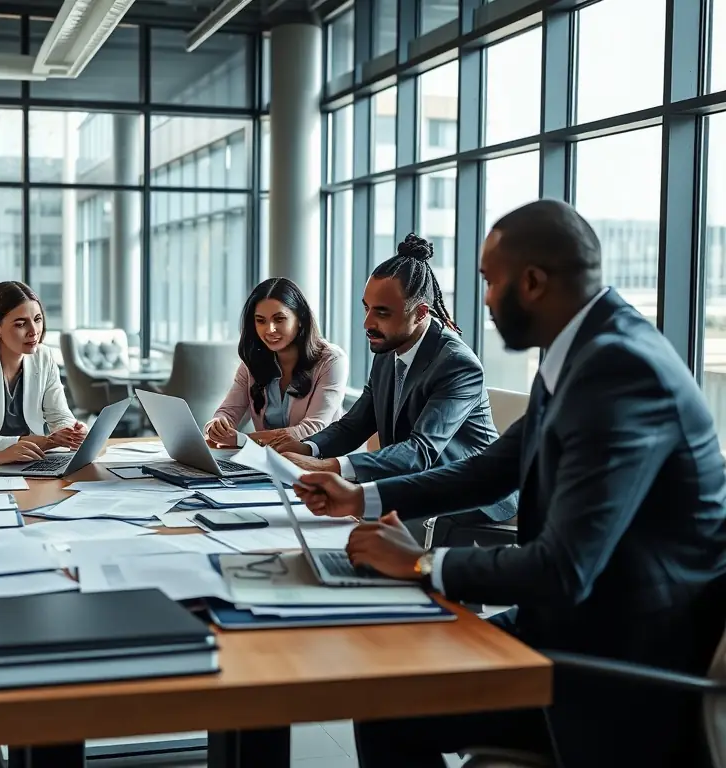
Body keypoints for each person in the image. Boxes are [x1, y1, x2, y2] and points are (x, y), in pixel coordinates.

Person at [294, 200, 726, 768]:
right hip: (572, 628)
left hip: (617, 666)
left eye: (491, 283)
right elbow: (493, 467)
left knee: (386, 697)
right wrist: (365, 496)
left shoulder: (619, 370)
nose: (486, 301)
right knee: (389, 673)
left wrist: (421, 565)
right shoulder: (586, 350)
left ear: (533, 282)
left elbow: (563, 568)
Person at [271, 234, 515, 524]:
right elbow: (355, 424)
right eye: (366, 308)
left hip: (469, 506)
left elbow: (420, 451)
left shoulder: (457, 364)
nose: (367, 323)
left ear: (421, 313)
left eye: (382, 313)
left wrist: (328, 466)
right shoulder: (388, 349)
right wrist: (305, 448)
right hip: (412, 490)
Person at [203, 277, 347, 448]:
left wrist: (243, 440)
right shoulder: (253, 360)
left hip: (316, 464)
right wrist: (217, 426)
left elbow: (314, 428)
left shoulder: (331, 360)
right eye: (261, 321)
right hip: (264, 463)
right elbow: (228, 412)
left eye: (279, 319)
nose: (270, 329)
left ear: (300, 319)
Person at [0, 281, 87, 463]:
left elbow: (59, 415)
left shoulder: (44, 356)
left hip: (34, 462)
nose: (34, 331)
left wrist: (72, 431)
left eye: (37, 319)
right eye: (20, 324)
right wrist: (33, 442)